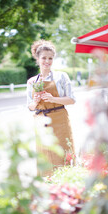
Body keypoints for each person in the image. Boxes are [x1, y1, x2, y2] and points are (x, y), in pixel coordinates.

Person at [27, 39, 76, 176]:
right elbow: (30, 106)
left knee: (63, 151)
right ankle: (47, 186)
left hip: (60, 119)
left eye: (50, 58)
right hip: (41, 122)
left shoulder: (61, 77)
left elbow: (72, 99)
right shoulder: (32, 81)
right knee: (45, 154)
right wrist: (35, 102)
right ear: (37, 59)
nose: (47, 61)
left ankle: (67, 184)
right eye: (44, 58)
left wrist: (53, 99)